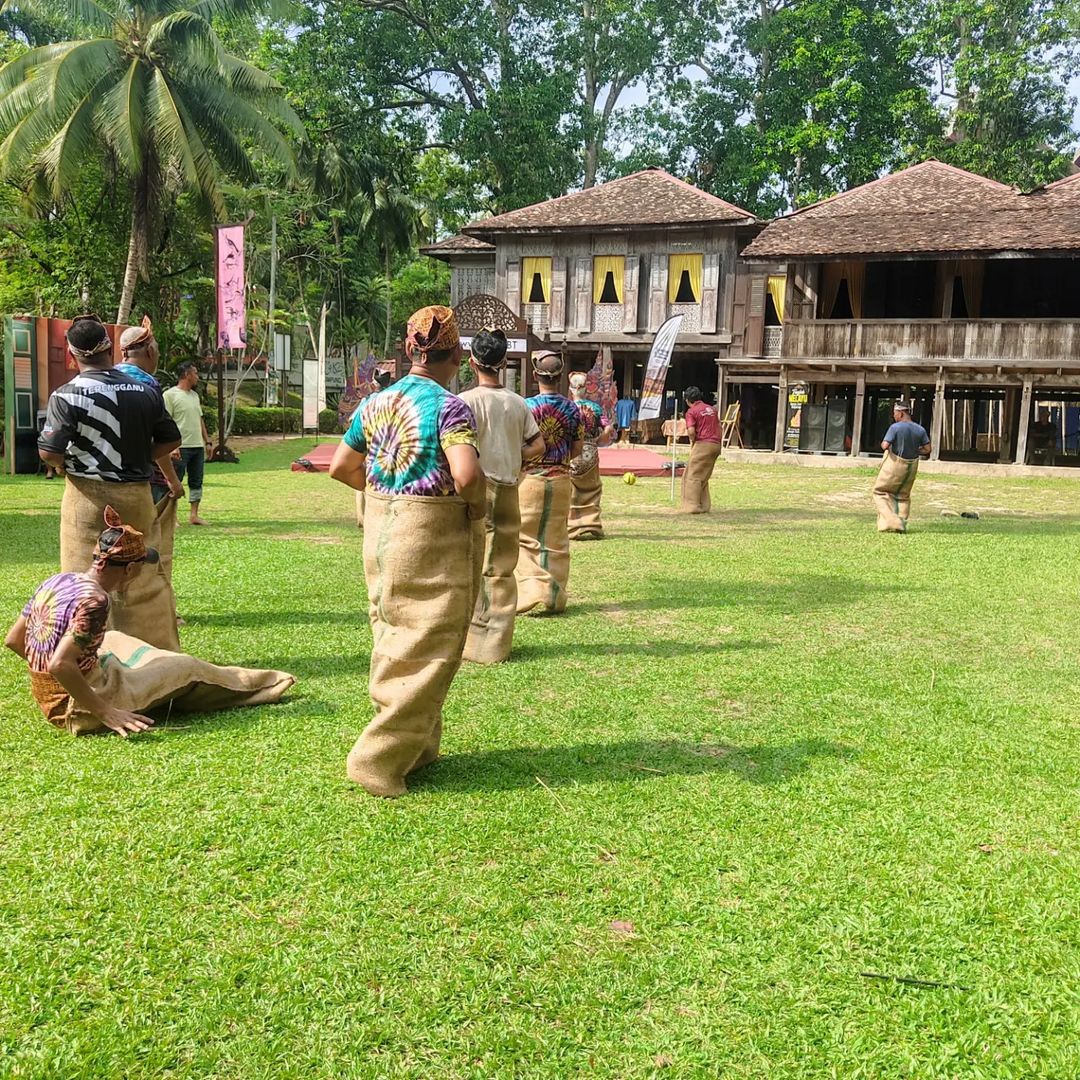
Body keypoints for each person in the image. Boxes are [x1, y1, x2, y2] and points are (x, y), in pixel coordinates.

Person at [328, 305, 486, 798]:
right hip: (431, 537)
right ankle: (377, 760)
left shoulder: (374, 404)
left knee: (393, 632)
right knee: (431, 644)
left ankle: (420, 746)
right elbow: (466, 475)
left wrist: (383, 490)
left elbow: (340, 467)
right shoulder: (450, 406)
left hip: (382, 535)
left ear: (410, 350)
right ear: (456, 354)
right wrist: (477, 509)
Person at [4, 507, 294, 736]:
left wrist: (50, 683)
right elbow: (59, 664)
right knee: (186, 667)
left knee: (114, 638)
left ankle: (133, 671)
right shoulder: (95, 602)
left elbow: (14, 640)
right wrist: (104, 710)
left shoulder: (59, 580)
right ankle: (267, 684)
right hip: (77, 705)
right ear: (129, 569)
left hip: (51, 696)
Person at [38, 315, 182, 651]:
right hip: (137, 496)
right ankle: (155, 656)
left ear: (72, 355)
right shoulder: (145, 389)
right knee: (143, 576)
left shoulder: (67, 395)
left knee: (83, 576)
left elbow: (49, 452)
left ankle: (90, 657)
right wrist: (141, 457)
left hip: (87, 500)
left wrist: (67, 464)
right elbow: (169, 439)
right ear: (108, 347)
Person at [459, 329, 545, 664]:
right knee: (503, 567)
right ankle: (496, 643)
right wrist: (516, 454)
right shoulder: (517, 403)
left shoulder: (465, 402)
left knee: (475, 565)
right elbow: (538, 444)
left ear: (472, 362)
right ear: (505, 362)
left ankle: (473, 641)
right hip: (510, 489)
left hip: (476, 489)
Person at [116, 317, 186, 627]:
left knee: (117, 548)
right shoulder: (146, 384)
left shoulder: (105, 378)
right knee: (154, 548)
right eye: (156, 347)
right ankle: (159, 611)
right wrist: (172, 480)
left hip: (107, 482)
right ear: (149, 350)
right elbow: (162, 441)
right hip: (146, 483)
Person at [516, 352, 584, 615]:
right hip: (561, 479)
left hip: (529, 479)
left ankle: (532, 590)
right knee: (556, 540)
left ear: (535, 375)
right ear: (560, 378)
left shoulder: (526, 406)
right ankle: (554, 594)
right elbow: (577, 447)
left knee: (525, 539)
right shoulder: (571, 408)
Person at [163, 361, 214, 526]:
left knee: (196, 481)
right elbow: (166, 422)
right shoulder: (170, 395)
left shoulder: (194, 396)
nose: (197, 377)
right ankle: (172, 516)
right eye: (195, 373)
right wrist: (172, 446)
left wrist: (207, 442)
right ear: (186, 375)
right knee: (175, 480)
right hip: (180, 447)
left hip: (196, 446)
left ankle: (194, 515)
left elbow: (199, 420)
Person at [567, 371, 614, 540]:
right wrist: (599, 439)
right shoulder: (595, 408)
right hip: (591, 450)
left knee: (572, 490)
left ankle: (572, 526)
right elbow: (608, 428)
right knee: (592, 488)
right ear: (585, 390)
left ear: (571, 389)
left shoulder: (567, 407)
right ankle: (592, 524)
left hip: (572, 452)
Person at [873, 400, 931, 532]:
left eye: (894, 413)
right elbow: (927, 449)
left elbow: (885, 445)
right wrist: (916, 450)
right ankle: (901, 523)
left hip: (895, 466)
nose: (894, 416)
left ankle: (891, 521)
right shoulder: (920, 429)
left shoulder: (895, 427)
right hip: (911, 468)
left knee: (881, 492)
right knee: (903, 496)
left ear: (900, 413)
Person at [680, 387, 723, 514]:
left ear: (687, 400)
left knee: (692, 475)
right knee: (703, 476)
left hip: (703, 443)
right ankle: (704, 505)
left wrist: (692, 441)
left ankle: (692, 506)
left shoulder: (691, 412)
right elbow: (719, 427)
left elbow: (691, 431)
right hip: (715, 445)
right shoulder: (712, 409)